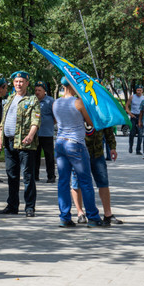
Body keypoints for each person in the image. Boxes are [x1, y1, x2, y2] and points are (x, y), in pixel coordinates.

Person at [52, 77, 105, 227]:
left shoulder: (56, 103)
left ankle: (65, 217)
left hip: (60, 143)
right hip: (75, 144)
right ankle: (93, 217)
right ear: (72, 86)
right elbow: (91, 123)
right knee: (85, 181)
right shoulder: (79, 102)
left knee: (63, 182)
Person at [0, 71, 40, 217]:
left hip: (25, 143)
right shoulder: (9, 98)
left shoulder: (32, 100)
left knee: (27, 176)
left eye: (21, 81)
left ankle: (29, 207)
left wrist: (30, 135)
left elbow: (36, 121)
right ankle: (12, 205)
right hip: (9, 142)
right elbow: (3, 121)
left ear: (27, 83)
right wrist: (0, 138)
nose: (18, 84)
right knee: (11, 175)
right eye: (16, 81)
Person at [71, 127, 122, 226]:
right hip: (79, 154)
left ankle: (108, 214)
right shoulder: (77, 111)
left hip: (97, 154)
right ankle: (80, 213)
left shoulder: (101, 112)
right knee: (76, 182)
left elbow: (108, 131)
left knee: (103, 182)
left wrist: (112, 147)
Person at [34, 81, 56, 184]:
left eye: (39, 90)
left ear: (44, 91)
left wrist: (49, 124)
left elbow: (56, 117)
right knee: (35, 156)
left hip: (47, 134)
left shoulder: (50, 101)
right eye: (36, 90)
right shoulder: (33, 101)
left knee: (49, 156)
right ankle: (35, 175)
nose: (37, 92)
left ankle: (51, 176)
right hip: (35, 134)